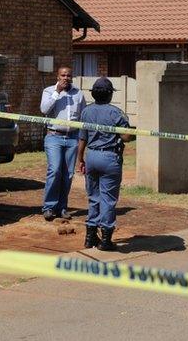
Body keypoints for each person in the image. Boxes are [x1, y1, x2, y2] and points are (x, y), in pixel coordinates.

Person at [77, 77, 133, 251]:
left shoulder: (86, 112)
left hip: (92, 156)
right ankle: (106, 240)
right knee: (107, 200)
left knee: (93, 197)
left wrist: (80, 159)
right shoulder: (116, 113)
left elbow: (82, 138)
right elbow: (126, 137)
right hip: (109, 158)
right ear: (109, 95)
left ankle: (90, 236)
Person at [40, 67, 86, 221]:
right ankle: (49, 207)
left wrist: (82, 138)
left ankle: (62, 207)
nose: (66, 78)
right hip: (54, 137)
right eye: (63, 75)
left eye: (69, 75)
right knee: (54, 170)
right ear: (57, 76)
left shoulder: (78, 94)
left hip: (72, 137)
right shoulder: (48, 91)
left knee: (68, 174)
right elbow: (44, 109)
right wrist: (57, 92)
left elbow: (83, 116)